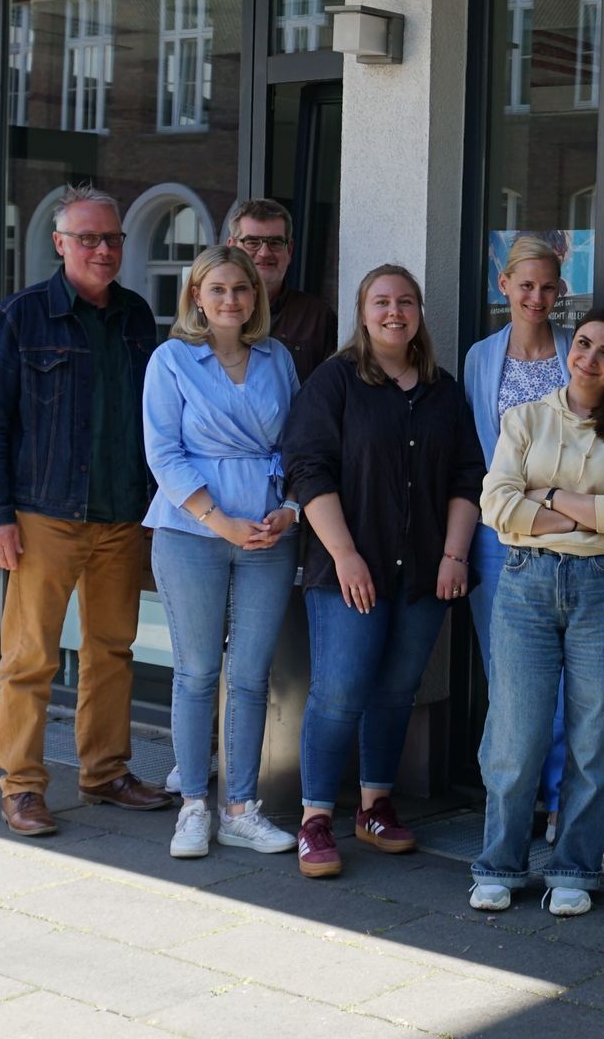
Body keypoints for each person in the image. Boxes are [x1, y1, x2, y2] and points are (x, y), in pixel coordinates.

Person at [0, 184, 173, 836]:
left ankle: (106, 772)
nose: (103, 249)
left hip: (122, 514)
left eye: (111, 238)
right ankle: (22, 787)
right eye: (88, 238)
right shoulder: (20, 316)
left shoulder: (137, 316)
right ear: (60, 244)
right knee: (29, 658)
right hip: (43, 513)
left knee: (111, 650)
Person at [281, 264, 484, 878]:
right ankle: (316, 820)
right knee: (340, 692)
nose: (395, 312)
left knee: (397, 691)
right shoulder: (335, 381)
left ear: (419, 311)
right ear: (363, 312)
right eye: (382, 302)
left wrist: (454, 556)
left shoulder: (443, 391)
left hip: (424, 571)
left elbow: (467, 477)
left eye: (406, 302)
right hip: (350, 568)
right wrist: (345, 555)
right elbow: (307, 469)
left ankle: (375, 808)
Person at [471, 306, 604, 917]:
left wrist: (547, 496)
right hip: (526, 583)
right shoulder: (524, 418)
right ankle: (499, 864)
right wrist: (585, 517)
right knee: (516, 734)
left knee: (593, 739)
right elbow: (496, 506)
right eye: (583, 344)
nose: (589, 359)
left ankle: (574, 866)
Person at [143, 246, 301, 859]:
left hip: (267, 531)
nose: (231, 299)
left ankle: (240, 810)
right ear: (197, 297)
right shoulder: (171, 360)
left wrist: (290, 507)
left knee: (252, 676)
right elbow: (163, 453)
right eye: (218, 289)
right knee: (197, 672)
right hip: (192, 531)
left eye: (241, 289)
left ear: (255, 297)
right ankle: (192, 807)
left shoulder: (278, 358)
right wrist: (220, 521)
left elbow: (298, 442)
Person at [463, 235, 574, 843]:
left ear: (559, 292)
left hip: (566, 531)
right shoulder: (482, 357)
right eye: (525, 285)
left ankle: (559, 799)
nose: (536, 296)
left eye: (547, 286)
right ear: (503, 285)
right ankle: (513, 798)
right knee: (507, 675)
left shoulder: (574, 351)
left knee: (562, 676)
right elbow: (476, 453)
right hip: (498, 535)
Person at [225, 198, 336, 383]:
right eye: (252, 242)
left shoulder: (317, 318)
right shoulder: (209, 312)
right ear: (232, 248)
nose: (264, 253)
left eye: (275, 242)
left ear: (290, 250)